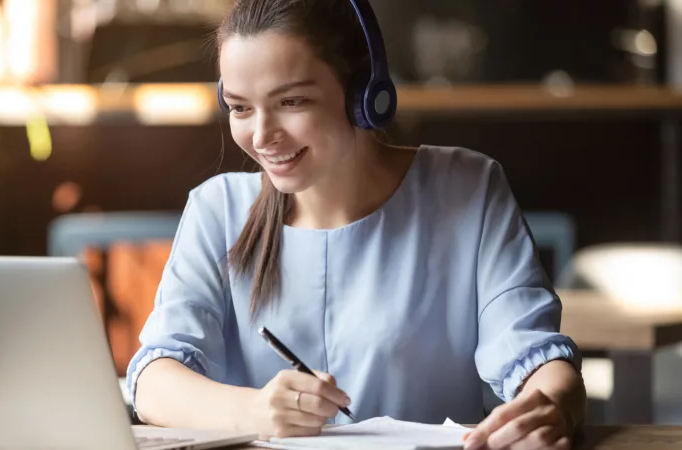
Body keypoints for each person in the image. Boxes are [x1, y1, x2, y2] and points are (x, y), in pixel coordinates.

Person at [127, 0, 587, 449]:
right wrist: (257, 412)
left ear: (364, 94)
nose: (263, 136)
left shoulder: (467, 189)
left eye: (291, 101)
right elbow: (153, 381)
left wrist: (552, 406)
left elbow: (532, 355)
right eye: (241, 108)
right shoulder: (218, 208)